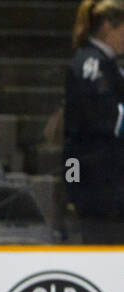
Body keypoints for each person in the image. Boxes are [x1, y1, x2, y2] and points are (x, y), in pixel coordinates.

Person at [63, 0, 124, 243]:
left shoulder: (108, 65)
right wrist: (73, 189)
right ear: (109, 27)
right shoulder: (91, 64)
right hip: (95, 183)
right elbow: (107, 120)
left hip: (106, 180)